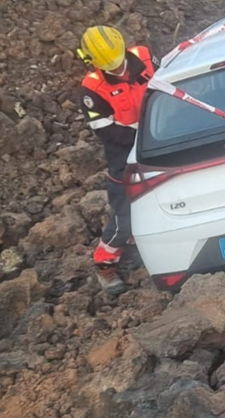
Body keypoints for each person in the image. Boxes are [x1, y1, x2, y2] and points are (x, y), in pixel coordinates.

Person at [77, 25, 157, 296]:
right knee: (126, 216)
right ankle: (104, 263)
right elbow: (107, 131)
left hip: (164, 144)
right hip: (125, 158)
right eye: (111, 66)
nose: (119, 69)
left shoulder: (144, 56)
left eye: (120, 61)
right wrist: (148, 133)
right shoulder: (92, 89)